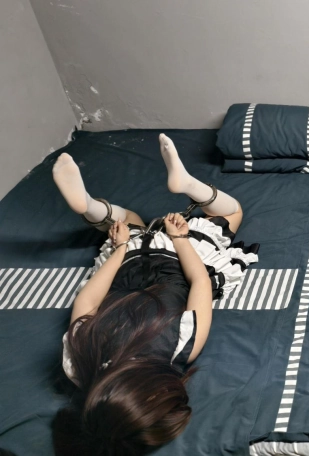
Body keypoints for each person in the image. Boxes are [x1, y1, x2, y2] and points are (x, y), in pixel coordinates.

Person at [51, 134, 259, 455]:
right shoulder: (76, 364)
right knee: (129, 221)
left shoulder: (181, 347)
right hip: (127, 263)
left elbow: (200, 283)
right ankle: (90, 207)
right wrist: (120, 249)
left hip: (174, 259)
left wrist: (180, 239)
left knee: (233, 214)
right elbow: (87, 301)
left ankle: (186, 183)